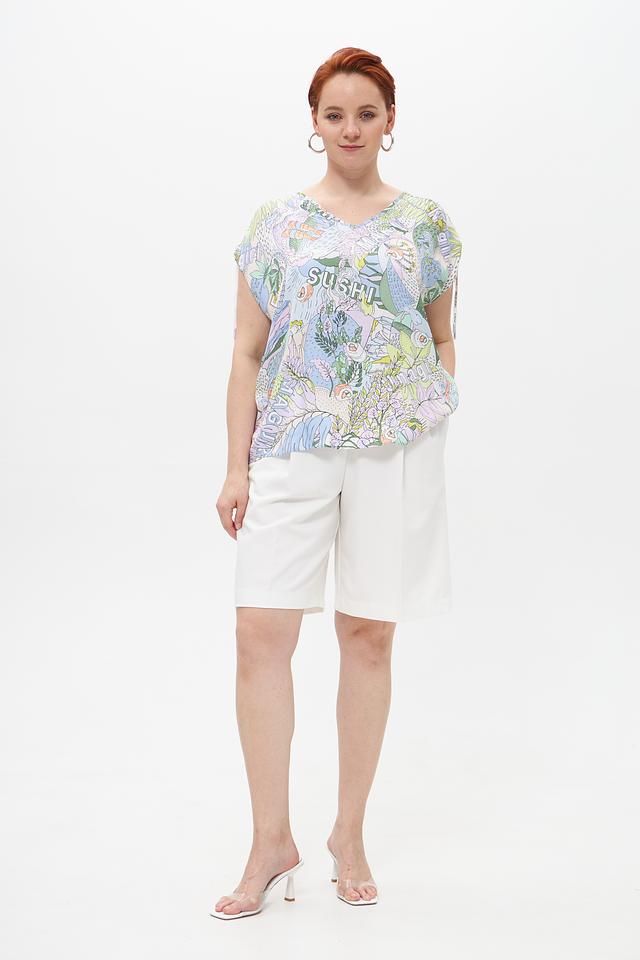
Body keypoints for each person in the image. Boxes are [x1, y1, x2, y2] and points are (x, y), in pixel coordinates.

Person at [212, 46, 463, 919]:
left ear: (390, 121)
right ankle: (269, 841)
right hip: (292, 439)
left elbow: (442, 336)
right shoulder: (276, 225)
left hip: (392, 448)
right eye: (334, 114)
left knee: (367, 635)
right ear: (313, 123)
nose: (350, 128)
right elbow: (248, 350)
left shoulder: (426, 225)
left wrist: (426, 409)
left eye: (366, 113)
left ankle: (347, 833)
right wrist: (237, 464)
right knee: (259, 631)